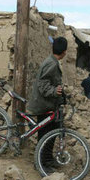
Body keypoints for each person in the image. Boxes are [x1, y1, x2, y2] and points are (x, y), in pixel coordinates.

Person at [28, 36, 67, 167]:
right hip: (44, 105)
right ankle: (40, 162)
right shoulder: (51, 63)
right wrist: (54, 91)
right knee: (45, 134)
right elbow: (43, 84)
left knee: (51, 132)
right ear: (64, 52)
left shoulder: (52, 61)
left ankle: (47, 159)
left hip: (49, 104)